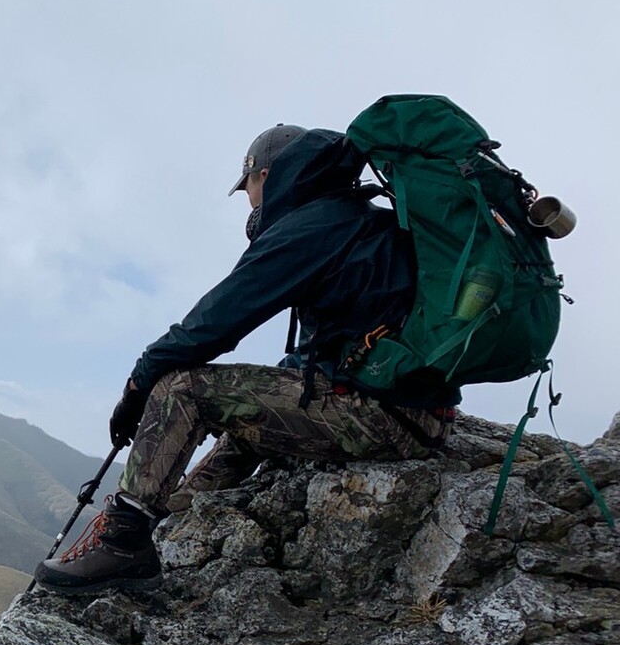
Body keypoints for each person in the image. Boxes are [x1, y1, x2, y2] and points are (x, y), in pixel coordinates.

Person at [33, 123, 458, 595]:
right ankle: (176, 519)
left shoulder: (310, 227)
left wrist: (138, 386)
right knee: (256, 407)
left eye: (249, 187)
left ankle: (125, 540)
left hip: (382, 417)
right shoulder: (358, 218)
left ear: (268, 175)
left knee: (185, 388)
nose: (251, 203)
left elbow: (212, 325)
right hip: (418, 411)